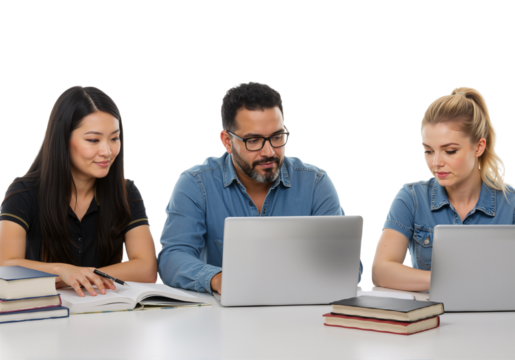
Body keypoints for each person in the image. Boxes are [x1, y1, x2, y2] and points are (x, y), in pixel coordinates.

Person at [158, 81, 364, 294]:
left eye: (277, 137)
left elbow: (348, 267)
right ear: (227, 141)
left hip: (301, 313)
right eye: (254, 140)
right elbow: (172, 257)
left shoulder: (315, 184)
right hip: (222, 317)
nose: (269, 152)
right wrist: (220, 280)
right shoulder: (196, 184)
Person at [0, 85, 157, 297]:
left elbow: (147, 268)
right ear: (63, 139)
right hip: (40, 315)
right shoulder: (23, 192)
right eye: (93, 140)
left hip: (104, 312)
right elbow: (5, 265)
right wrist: (61, 271)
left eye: (114, 138)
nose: (107, 151)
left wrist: (81, 276)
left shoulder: (126, 192)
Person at [371, 86, 515, 291]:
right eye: (428, 151)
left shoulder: (511, 204)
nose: (436, 162)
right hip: (431, 317)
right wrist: (450, 280)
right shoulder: (411, 198)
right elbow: (381, 271)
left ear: (479, 147)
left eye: (450, 151)